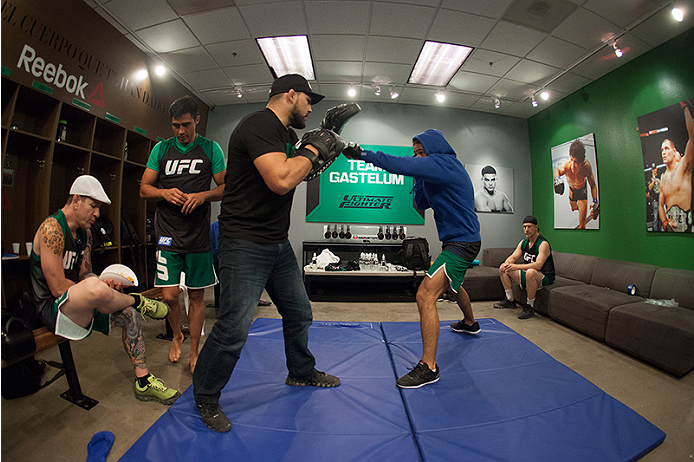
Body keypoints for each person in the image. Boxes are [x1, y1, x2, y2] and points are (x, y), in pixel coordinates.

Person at [193, 74, 342, 433]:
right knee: (233, 327)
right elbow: (280, 179)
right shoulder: (258, 124)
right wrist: (313, 149)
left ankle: (301, 372)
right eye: (308, 100)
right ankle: (205, 396)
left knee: (298, 311)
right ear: (290, 95)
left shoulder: (286, 136)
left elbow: (296, 174)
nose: (310, 108)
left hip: (276, 242)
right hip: (244, 242)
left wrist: (317, 156)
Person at [345, 129, 481, 389]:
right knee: (451, 285)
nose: (419, 158)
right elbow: (421, 202)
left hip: (463, 242)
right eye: (416, 154)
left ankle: (428, 367)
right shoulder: (435, 172)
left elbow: (400, 165)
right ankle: (470, 323)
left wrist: (364, 155)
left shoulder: (445, 163)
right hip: (458, 240)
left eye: (422, 153)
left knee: (425, 294)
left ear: (435, 148)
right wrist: (419, 175)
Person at [30, 175, 180, 404]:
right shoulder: (52, 229)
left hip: (77, 303)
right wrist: (96, 289)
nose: (97, 214)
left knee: (128, 315)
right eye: (94, 206)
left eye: (98, 208)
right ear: (76, 199)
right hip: (53, 309)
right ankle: (137, 301)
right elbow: (58, 288)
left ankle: (144, 381)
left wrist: (103, 284)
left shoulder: (85, 233)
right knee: (95, 288)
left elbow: (84, 274)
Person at [140, 95, 226, 374]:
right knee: (169, 295)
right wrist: (163, 192)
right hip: (166, 231)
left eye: (186, 124)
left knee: (197, 295)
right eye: (176, 125)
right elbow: (144, 189)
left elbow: (226, 187)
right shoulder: (161, 149)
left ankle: (193, 348)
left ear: (197, 120)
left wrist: (203, 196)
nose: (180, 131)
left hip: (197, 234)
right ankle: (177, 334)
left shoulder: (210, 148)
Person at [494, 215, 555, 319]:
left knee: (531, 272)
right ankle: (510, 300)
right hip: (528, 274)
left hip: (544, 277)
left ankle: (530, 306)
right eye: (525, 227)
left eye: (530, 227)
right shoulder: (524, 242)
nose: (527, 229)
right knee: (503, 268)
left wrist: (516, 267)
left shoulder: (543, 244)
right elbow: (513, 257)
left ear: (536, 228)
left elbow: (538, 265)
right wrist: (507, 263)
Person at [658, 102, 693, 232]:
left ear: (674, 151)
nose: (663, 152)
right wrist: (665, 223)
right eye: (662, 150)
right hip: (670, 230)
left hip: (687, 228)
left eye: (666, 149)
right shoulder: (663, 178)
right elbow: (660, 205)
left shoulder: (683, 166)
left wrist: (685, 108)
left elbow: (692, 138)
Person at [553, 139, 598, 229]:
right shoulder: (568, 166)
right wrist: (557, 179)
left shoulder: (586, 168)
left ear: (582, 162)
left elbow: (593, 185)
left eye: (576, 162)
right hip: (572, 191)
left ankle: (583, 209)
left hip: (582, 192)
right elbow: (556, 170)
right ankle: (580, 208)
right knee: (573, 208)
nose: (573, 165)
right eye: (572, 160)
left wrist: (595, 201)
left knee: (582, 224)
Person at [647, 163, 661, 231]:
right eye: (653, 169)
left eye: (655, 169)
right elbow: (649, 188)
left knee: (661, 218)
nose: (654, 170)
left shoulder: (660, 177)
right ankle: (655, 232)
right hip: (655, 200)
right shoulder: (650, 178)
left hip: (661, 200)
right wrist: (654, 179)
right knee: (655, 218)